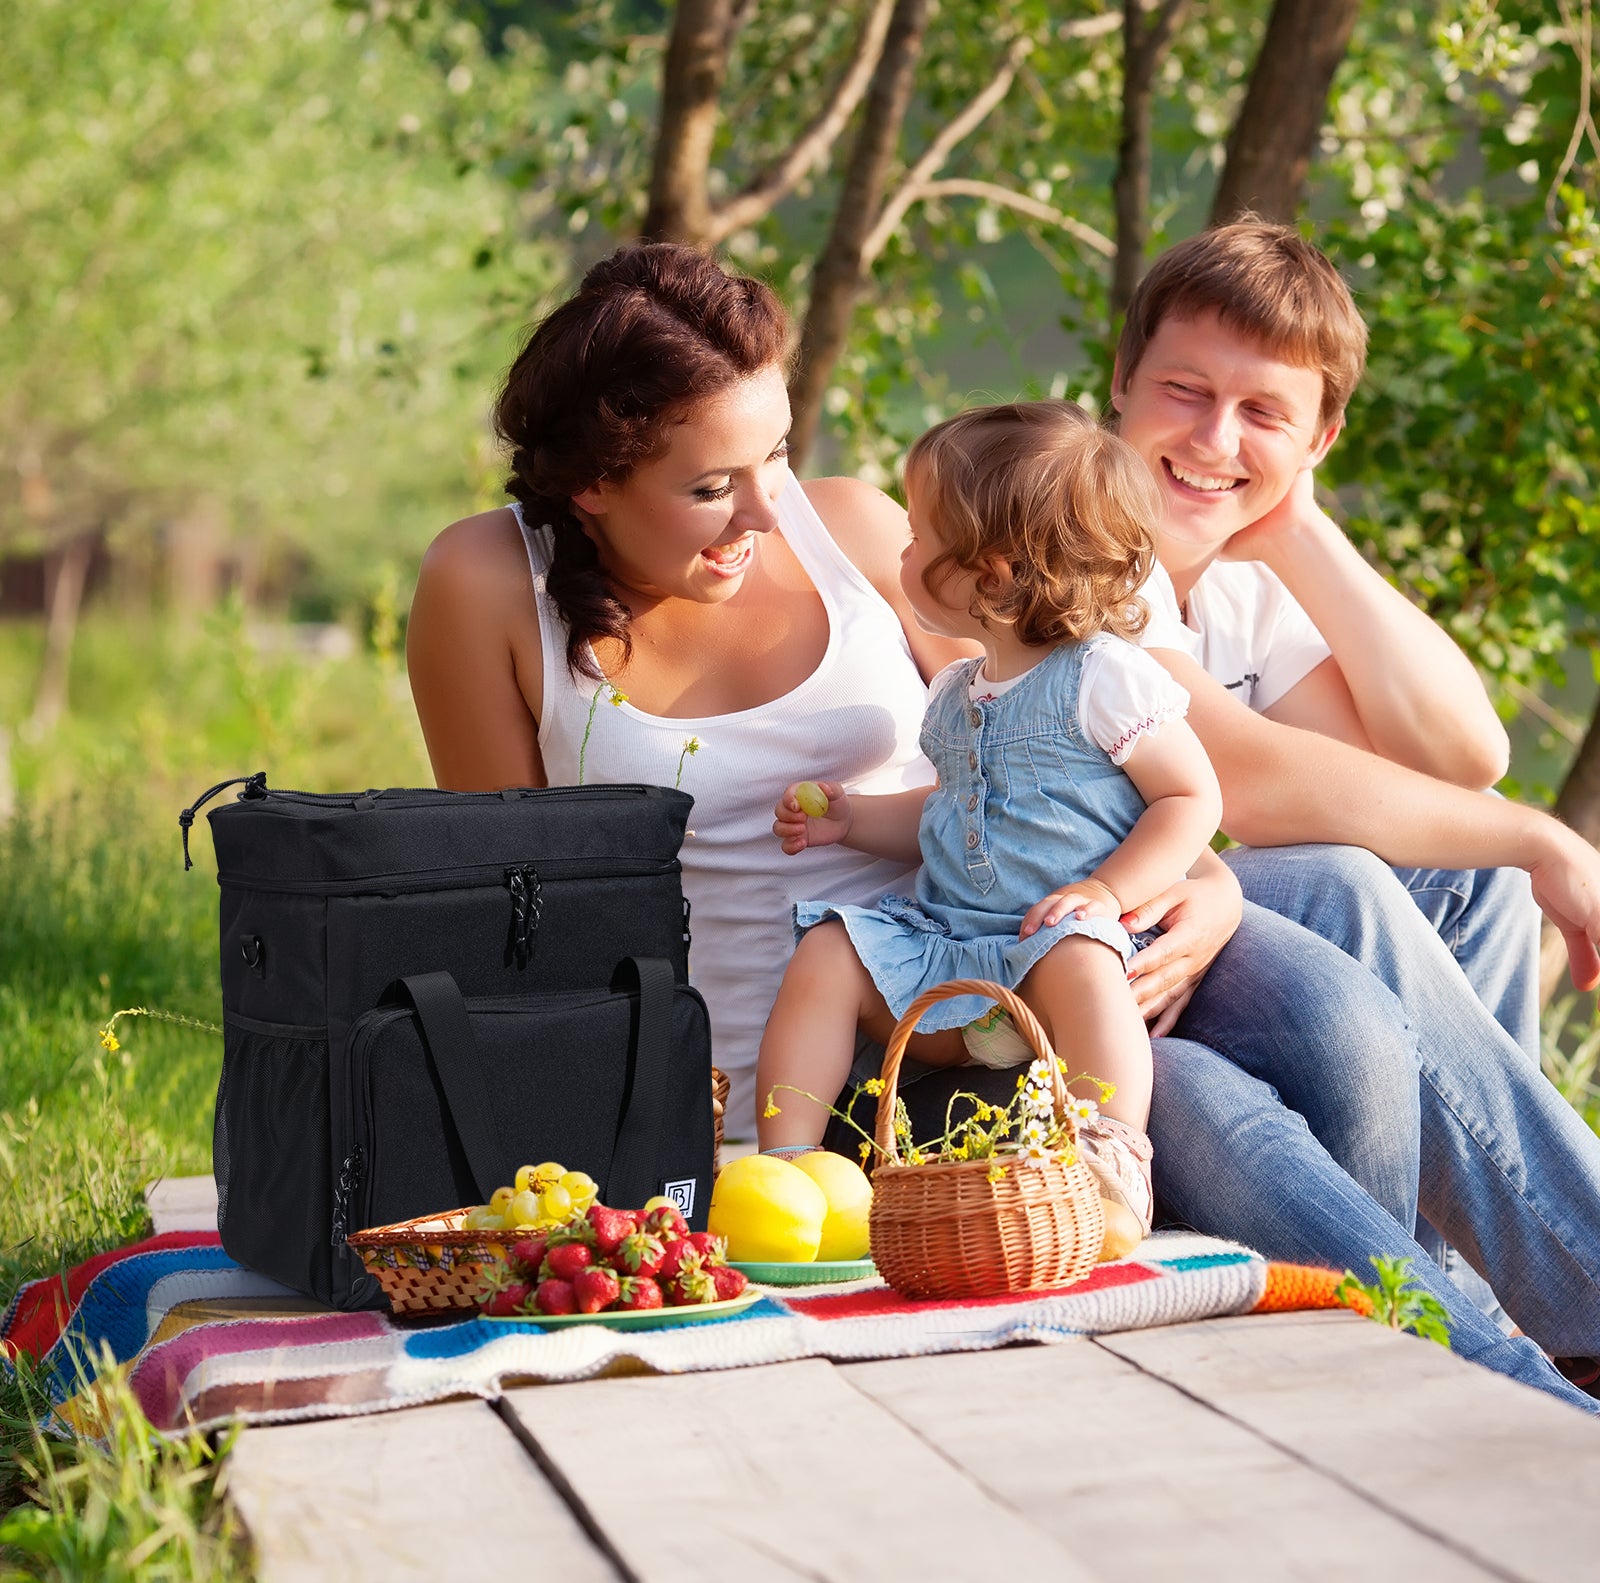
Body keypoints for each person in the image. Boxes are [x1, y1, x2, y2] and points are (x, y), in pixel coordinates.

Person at [405, 240, 1600, 1410]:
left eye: (776, 452)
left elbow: (1094, 738)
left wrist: (1221, 883)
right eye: (712, 485)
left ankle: (1558, 1321)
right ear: (590, 483)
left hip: (1031, 922)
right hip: (873, 1041)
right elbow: (513, 914)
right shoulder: (487, 584)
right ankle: (1496, 1378)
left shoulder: (857, 529)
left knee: (1340, 951)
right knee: (1206, 1101)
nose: (766, 512)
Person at [1105, 219, 1600, 1356]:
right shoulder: (1069, 530)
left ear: (1322, 433)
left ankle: (1498, 1281)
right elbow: (1249, 780)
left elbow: (1449, 757)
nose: (1213, 437)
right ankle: (1576, 1283)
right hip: (1084, 950)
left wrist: (1301, 529)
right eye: (1184, 390)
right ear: (1121, 379)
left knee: (1465, 876)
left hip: (1211, 953)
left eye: (1264, 413)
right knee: (1340, 880)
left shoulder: (1235, 583)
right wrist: (1536, 832)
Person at [755, 401, 1222, 1236]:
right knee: (829, 949)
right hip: (953, 951)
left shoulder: (1103, 678)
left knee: (1079, 957)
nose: (900, 551)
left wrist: (1108, 892)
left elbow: (1192, 798)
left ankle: (1105, 1155)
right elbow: (949, 817)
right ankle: (788, 1173)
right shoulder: (955, 694)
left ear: (992, 574)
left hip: (1052, 956)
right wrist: (852, 821)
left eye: (918, 539)